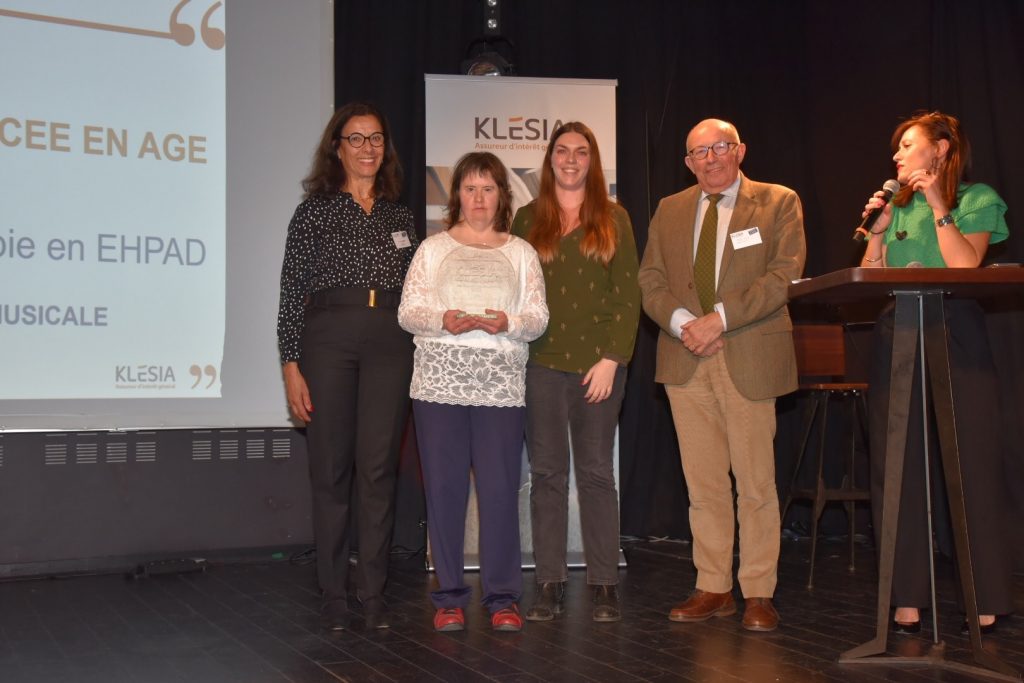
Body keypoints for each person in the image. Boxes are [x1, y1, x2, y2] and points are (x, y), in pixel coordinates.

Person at [638, 118, 806, 632]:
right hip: (686, 358)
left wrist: (721, 319)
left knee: (755, 483)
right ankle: (714, 586)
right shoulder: (669, 209)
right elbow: (650, 279)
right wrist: (688, 324)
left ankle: (758, 591)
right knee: (703, 484)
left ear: (740, 151)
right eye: (699, 152)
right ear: (687, 162)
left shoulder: (778, 202)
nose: (710, 158)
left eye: (720, 148)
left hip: (748, 354)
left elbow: (785, 274)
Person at [858, 111, 1012, 634]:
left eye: (908, 145)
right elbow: (871, 273)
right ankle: (906, 597)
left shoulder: (976, 199)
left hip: (954, 327)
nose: (897, 156)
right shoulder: (895, 206)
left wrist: (939, 205)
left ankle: (985, 593)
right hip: (896, 327)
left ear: (941, 150)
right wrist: (877, 233)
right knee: (897, 465)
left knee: (971, 464)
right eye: (896, 148)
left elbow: (965, 265)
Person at [276, 102, 417, 632]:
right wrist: (291, 364)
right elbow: (292, 292)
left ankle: (373, 591)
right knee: (331, 469)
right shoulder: (313, 211)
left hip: (391, 342)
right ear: (337, 147)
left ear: (386, 148)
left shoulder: (401, 217)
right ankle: (334, 591)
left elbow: (419, 291)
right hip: (327, 339)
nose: (367, 148)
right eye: (355, 139)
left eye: (375, 138)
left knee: (378, 468)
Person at [398, 152, 548, 633]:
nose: (479, 198)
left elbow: (538, 319)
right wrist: (442, 319)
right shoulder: (432, 249)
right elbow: (407, 312)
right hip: (439, 383)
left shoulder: (521, 252)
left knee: (500, 491)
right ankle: (448, 596)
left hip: (500, 385)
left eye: (488, 188)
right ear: (456, 195)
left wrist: (510, 322)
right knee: (444, 492)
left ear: (502, 195)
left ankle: (502, 596)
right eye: (469, 188)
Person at [511, 122, 640, 623]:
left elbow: (628, 295)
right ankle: (549, 583)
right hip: (539, 364)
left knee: (595, 474)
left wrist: (613, 359)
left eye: (580, 152)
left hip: (598, 368)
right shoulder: (526, 218)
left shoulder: (614, 218)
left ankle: (605, 584)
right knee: (546, 476)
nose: (570, 159)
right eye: (561, 151)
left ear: (592, 160)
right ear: (549, 160)